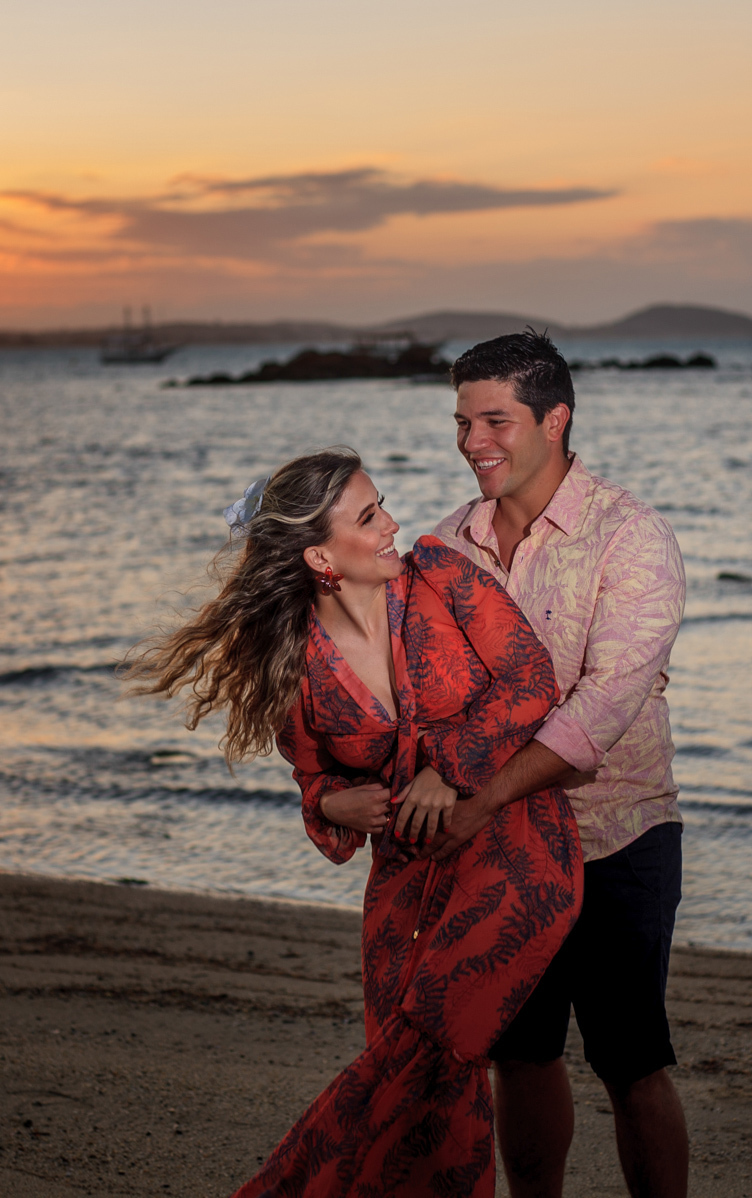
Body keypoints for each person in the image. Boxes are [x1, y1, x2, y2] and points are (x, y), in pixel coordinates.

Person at [125, 446, 581, 1198]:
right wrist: (331, 804)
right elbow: (313, 773)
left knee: (430, 1042)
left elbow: (532, 678)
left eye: (382, 506)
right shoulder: (293, 661)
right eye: (369, 518)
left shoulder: (439, 572)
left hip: (516, 852)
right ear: (318, 556)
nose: (393, 524)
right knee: (434, 1078)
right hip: (403, 884)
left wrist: (449, 768)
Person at [430, 330, 689, 1198]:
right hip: (499, 846)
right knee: (520, 1050)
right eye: (462, 423)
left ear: (555, 418)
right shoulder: (442, 548)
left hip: (620, 836)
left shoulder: (632, 537)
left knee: (632, 1059)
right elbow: (420, 694)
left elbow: (606, 704)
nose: (473, 443)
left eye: (494, 420)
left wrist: (479, 791)